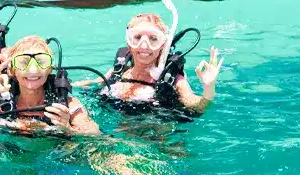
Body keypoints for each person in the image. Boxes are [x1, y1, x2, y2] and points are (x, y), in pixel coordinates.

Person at [84, 12, 223, 117]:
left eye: (153, 39)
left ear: (163, 45)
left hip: (159, 138)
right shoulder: (118, 71)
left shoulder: (172, 79)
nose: (144, 45)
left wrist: (209, 88)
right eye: (137, 37)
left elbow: (197, 107)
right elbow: (88, 85)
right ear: (128, 42)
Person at [0, 35, 100, 137]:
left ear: (50, 69)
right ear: (12, 70)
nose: (33, 69)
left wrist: (67, 128)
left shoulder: (69, 107)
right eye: (23, 62)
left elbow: (96, 138)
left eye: (41, 61)